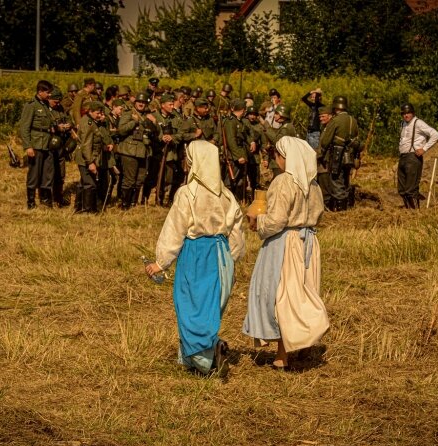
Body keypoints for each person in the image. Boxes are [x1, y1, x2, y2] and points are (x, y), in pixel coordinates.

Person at [145, 140, 245, 376]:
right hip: (221, 255)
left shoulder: (187, 194)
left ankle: (205, 361)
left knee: (190, 305)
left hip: (196, 253)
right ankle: (203, 353)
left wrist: (161, 262)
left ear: (195, 162)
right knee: (209, 306)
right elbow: (237, 233)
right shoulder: (228, 196)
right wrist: (232, 258)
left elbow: (174, 228)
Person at [242, 136, 329, 370]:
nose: (276, 160)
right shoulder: (312, 184)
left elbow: (277, 220)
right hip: (308, 242)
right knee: (302, 292)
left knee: (282, 297)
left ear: (287, 158)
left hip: (286, 243)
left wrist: (256, 221)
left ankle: (283, 355)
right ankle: (303, 345)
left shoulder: (284, 182)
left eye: (278, 156)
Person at [19, 80, 55, 208]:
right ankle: (31, 202)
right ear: (40, 91)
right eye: (47, 92)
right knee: (34, 174)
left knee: (47, 173)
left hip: (47, 144)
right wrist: (28, 146)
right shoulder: (31, 105)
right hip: (36, 144)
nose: (50, 95)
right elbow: (24, 127)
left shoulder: (45, 105)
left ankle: (45, 199)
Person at [319, 96, 359, 211]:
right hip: (350, 155)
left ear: (336, 107)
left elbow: (325, 141)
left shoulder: (335, 121)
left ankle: (341, 212)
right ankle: (346, 207)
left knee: (336, 182)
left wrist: (320, 154)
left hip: (337, 155)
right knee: (346, 181)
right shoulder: (353, 120)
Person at [397, 103, 438, 209]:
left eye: (408, 113)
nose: (406, 115)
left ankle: (415, 214)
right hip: (403, 157)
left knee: (410, 189)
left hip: (413, 157)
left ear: (413, 113)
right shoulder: (403, 124)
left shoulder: (418, 122)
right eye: (404, 113)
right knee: (401, 189)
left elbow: (435, 134)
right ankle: (408, 211)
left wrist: (424, 149)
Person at [146, 93, 183, 206]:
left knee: (168, 178)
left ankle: (164, 200)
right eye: (170, 104)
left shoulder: (176, 118)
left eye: (173, 104)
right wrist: (160, 137)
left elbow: (181, 134)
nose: (173, 106)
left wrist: (172, 137)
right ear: (162, 105)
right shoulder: (154, 116)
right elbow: (149, 133)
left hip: (170, 153)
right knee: (155, 177)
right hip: (156, 153)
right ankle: (149, 199)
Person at [117, 92, 152, 209]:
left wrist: (154, 123)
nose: (141, 104)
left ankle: (133, 202)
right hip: (129, 150)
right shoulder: (128, 114)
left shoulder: (149, 115)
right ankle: (125, 204)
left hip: (144, 151)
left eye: (143, 102)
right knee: (129, 180)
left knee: (140, 179)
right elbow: (121, 130)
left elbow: (155, 132)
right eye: (139, 102)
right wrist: (134, 122)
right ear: (135, 102)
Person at [73, 101, 107, 213]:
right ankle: (87, 210)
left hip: (88, 158)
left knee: (84, 182)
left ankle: (79, 207)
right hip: (85, 159)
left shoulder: (92, 121)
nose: (100, 115)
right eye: (98, 113)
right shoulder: (88, 124)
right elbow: (86, 145)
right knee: (89, 184)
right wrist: (90, 162)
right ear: (90, 112)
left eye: (101, 113)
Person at [222, 99, 254, 202]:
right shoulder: (230, 121)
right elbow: (231, 141)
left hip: (241, 153)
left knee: (239, 181)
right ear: (243, 109)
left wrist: (251, 142)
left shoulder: (239, 121)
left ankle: (235, 201)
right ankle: (226, 202)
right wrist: (238, 156)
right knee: (230, 181)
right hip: (233, 156)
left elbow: (244, 135)